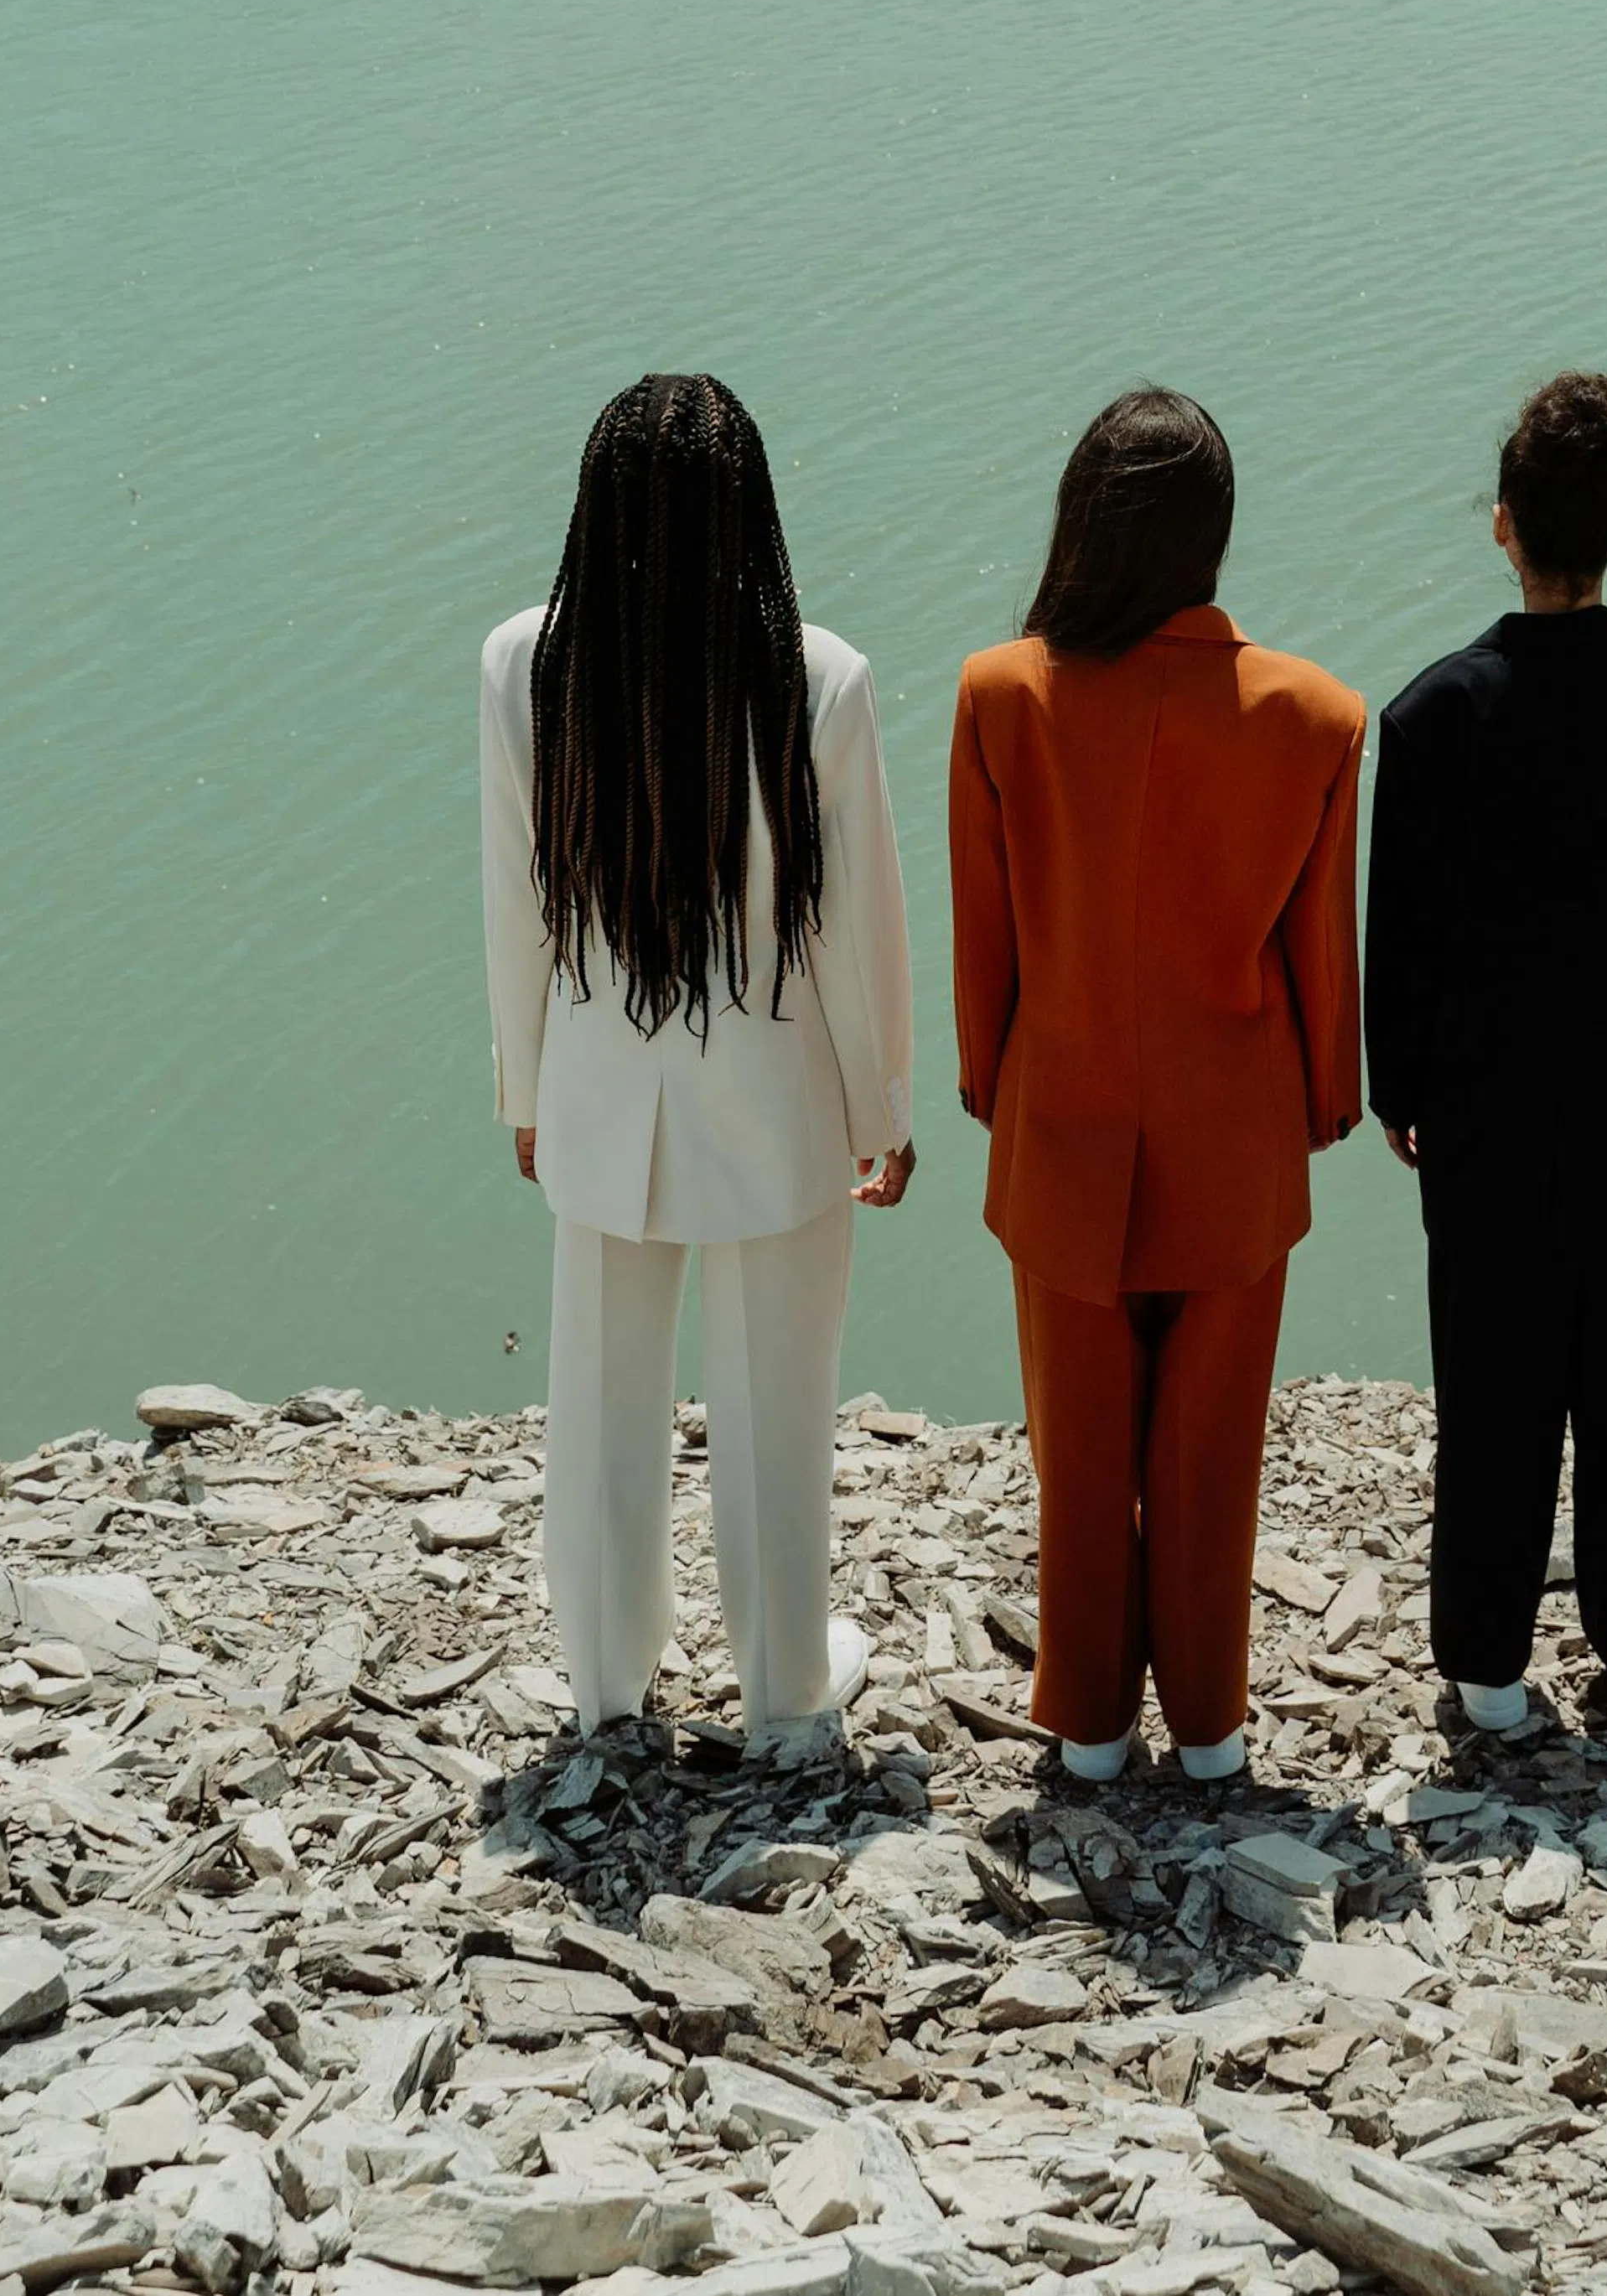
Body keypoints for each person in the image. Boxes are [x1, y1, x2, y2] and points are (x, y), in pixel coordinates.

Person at [480, 372, 915, 1754]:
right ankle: (787, 1691)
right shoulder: (820, 678)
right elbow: (856, 935)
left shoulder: (524, 666)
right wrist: (882, 1105)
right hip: (779, 1109)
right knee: (776, 1405)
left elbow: (514, 901)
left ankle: (608, 1680)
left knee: (602, 1404)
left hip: (604, 1093)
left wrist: (525, 1089)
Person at [951, 389, 1363, 1785]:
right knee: (1209, 1448)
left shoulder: (1002, 694)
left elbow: (986, 931)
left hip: (1059, 1121)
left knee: (1079, 1445)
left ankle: (1088, 1722)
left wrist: (984, 1083)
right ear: (1218, 534)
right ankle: (1209, 1725)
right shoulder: (1315, 715)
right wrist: (1328, 1093)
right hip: (1237, 1135)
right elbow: (1318, 943)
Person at [1365, 369, 1607, 1739]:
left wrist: (1394, 1088)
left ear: (1502, 523)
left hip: (1482, 1103)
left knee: (1496, 1372)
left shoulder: (1431, 714)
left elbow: (1399, 936)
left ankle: (1485, 1662)